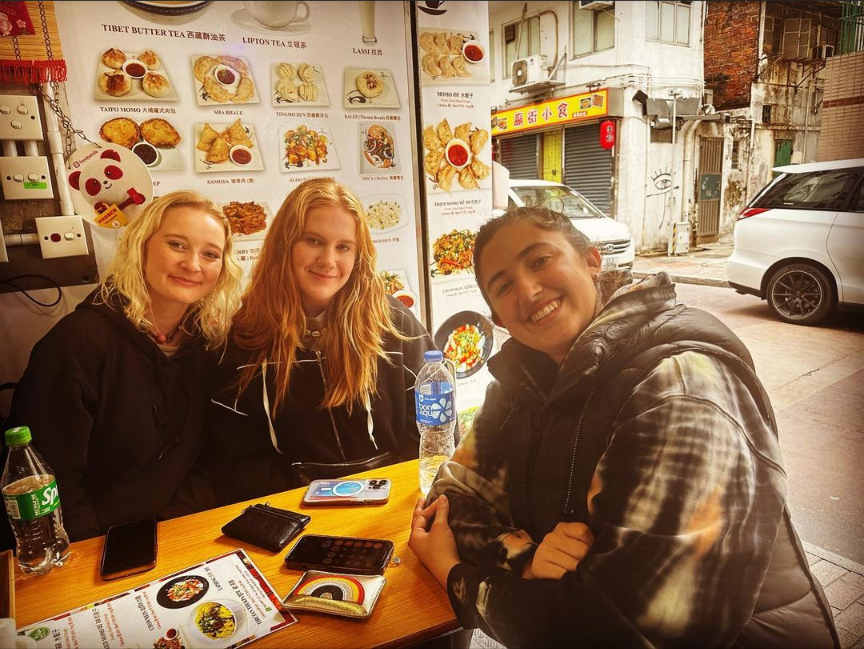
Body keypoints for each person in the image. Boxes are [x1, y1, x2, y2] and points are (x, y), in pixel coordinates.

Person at [409, 207, 839, 648]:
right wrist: (525, 558)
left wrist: (455, 576)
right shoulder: (523, 384)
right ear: (498, 318)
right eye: (503, 286)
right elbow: (449, 500)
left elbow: (625, 627)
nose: (529, 289)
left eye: (539, 260)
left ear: (592, 262)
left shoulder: (679, 385)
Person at [6, 190, 242, 542]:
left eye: (210, 254)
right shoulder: (78, 344)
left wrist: (175, 525)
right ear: (141, 246)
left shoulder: (210, 343)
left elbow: (214, 456)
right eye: (177, 245)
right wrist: (93, 554)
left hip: (175, 531)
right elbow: (50, 481)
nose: (193, 264)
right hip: (91, 544)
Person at [209, 178, 434, 504]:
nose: (328, 260)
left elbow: (431, 424)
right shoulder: (245, 335)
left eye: (344, 247)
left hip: (392, 500)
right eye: (313, 241)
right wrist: (301, 499)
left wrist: (399, 493)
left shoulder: (394, 323)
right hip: (294, 509)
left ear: (359, 255)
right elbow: (234, 457)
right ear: (284, 244)